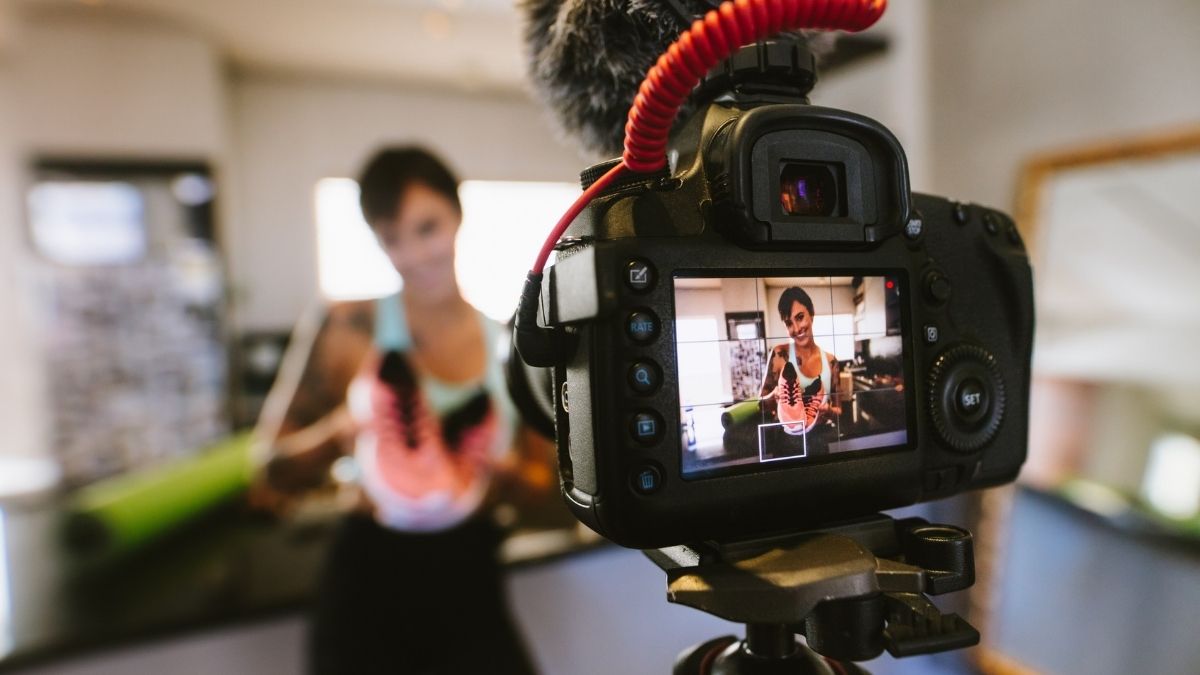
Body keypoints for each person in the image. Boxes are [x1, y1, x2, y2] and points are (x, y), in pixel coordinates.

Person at [252, 147, 551, 675]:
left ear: (457, 217)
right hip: (367, 577)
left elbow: (543, 490)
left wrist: (502, 475)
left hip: (470, 576)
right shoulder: (346, 327)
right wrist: (338, 432)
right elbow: (268, 469)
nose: (413, 255)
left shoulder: (509, 346)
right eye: (392, 238)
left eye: (427, 228)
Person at [760, 287, 842, 444]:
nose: (796, 329)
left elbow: (839, 411)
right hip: (785, 441)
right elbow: (760, 404)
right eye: (789, 323)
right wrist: (774, 396)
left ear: (811, 314)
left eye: (800, 317)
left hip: (819, 440)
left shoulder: (831, 361)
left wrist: (829, 411)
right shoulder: (778, 354)